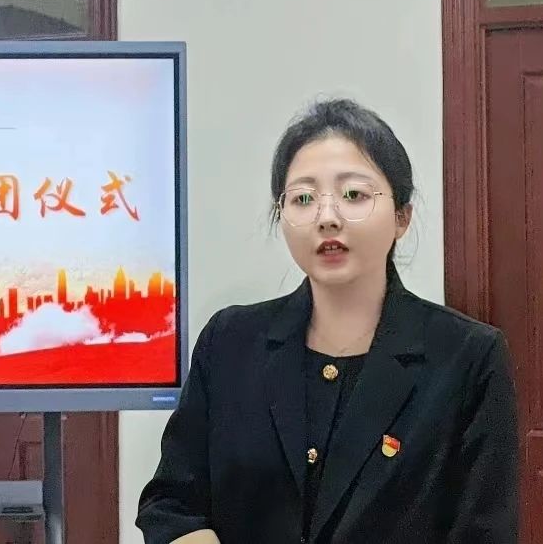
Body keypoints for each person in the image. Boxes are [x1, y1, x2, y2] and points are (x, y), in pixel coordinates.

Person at [136, 99, 519, 544]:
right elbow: (171, 503)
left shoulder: (467, 358)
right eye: (303, 198)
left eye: (354, 195)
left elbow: (484, 532)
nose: (327, 218)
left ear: (402, 217)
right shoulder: (229, 343)